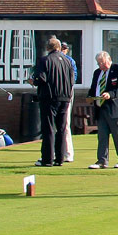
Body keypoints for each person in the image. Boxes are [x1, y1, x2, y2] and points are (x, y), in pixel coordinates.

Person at [32, 36, 74, 167]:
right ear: (59, 48)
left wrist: (34, 81)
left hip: (49, 98)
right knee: (61, 128)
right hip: (65, 98)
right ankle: (60, 158)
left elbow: (41, 79)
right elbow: (72, 79)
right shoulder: (67, 62)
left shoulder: (44, 60)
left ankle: (47, 159)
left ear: (48, 48)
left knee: (49, 128)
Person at [87, 51, 118, 168]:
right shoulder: (97, 73)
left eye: (102, 62)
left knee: (117, 134)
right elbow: (93, 87)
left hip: (114, 108)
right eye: (98, 63)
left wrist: (110, 94)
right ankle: (102, 161)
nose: (101, 65)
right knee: (102, 135)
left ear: (109, 59)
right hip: (100, 108)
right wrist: (90, 97)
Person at [59, 41, 78, 163]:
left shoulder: (69, 61)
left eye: (65, 49)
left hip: (65, 92)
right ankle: (55, 151)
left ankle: (68, 153)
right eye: (62, 48)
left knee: (65, 123)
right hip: (56, 93)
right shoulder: (49, 59)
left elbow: (73, 78)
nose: (64, 51)